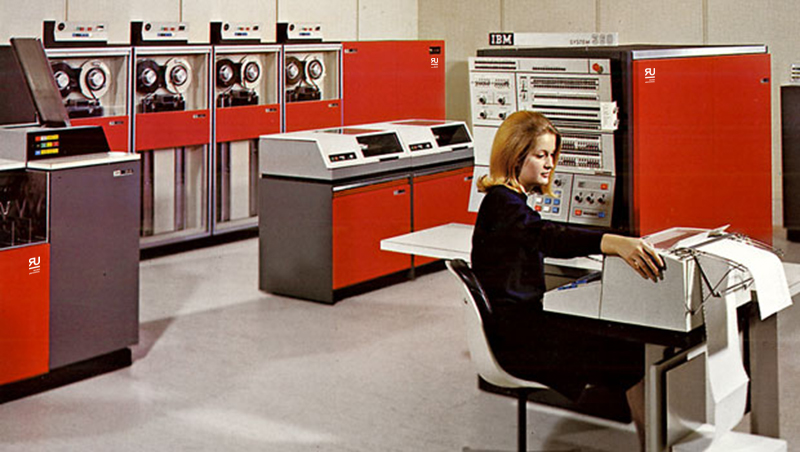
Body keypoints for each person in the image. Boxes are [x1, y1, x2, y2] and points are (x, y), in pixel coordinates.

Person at [471, 110, 664, 449]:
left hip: (515, 329)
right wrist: (614, 242)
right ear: (516, 155)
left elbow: (539, 234)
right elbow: (547, 236)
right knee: (630, 354)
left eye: (552, 155)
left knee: (613, 340)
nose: (549, 164)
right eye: (540, 155)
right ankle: (655, 446)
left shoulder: (505, 201)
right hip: (517, 342)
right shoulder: (503, 203)